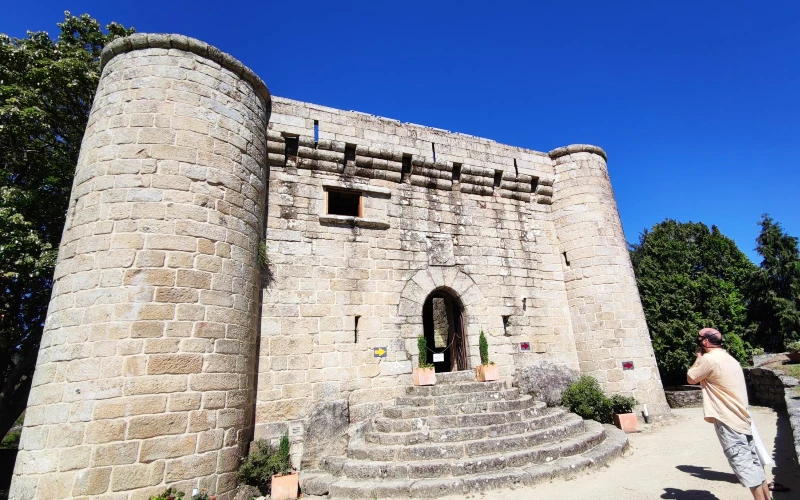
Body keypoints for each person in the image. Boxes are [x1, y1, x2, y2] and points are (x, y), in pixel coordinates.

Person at [687, 328, 771, 500]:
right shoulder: (729, 358)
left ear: (705, 342)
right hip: (742, 417)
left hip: (728, 418)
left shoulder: (709, 360)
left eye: (699, 338)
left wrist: (698, 357)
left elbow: (691, 377)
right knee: (754, 463)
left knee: (744, 465)